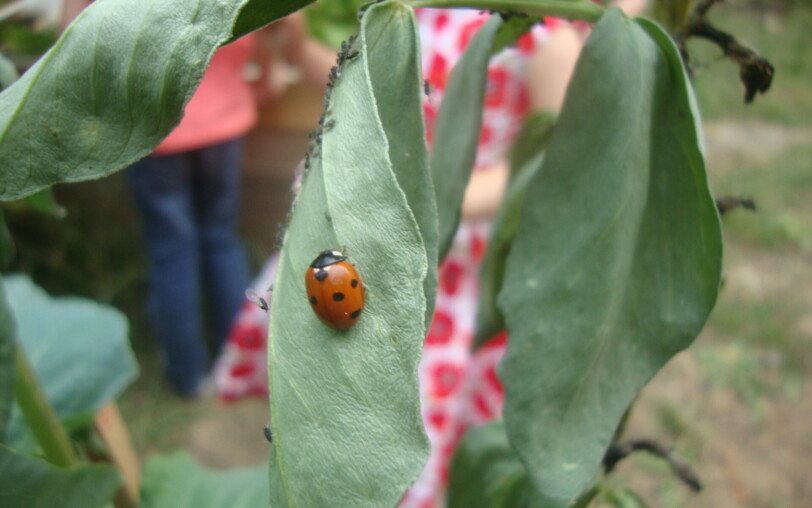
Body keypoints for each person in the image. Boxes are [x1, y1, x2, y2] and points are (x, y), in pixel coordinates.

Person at [61, 1, 326, 397]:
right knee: (221, 239)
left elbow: (73, 36)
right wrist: (267, 67)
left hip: (154, 125)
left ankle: (188, 375)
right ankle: (234, 360)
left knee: (172, 252)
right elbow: (287, 17)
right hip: (222, 120)